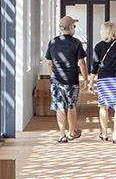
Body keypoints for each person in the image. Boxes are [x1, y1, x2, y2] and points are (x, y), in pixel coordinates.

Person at [45, 15, 89, 143]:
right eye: (74, 26)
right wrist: (85, 80)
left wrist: (52, 76)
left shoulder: (53, 42)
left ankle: (62, 135)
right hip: (71, 80)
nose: (74, 28)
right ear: (70, 28)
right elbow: (82, 63)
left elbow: (49, 63)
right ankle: (71, 133)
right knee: (71, 106)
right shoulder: (76, 43)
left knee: (59, 107)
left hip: (56, 80)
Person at [89, 20, 116, 143]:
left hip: (103, 80)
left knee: (104, 107)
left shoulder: (98, 46)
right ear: (115, 32)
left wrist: (91, 83)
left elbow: (94, 66)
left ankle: (104, 133)